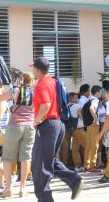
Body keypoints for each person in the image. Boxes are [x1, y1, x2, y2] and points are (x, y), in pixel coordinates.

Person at [30, 57, 83, 202]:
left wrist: (37, 120)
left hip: (47, 124)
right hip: (57, 124)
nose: (32, 71)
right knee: (45, 160)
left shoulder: (41, 85)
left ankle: (45, 199)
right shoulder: (53, 81)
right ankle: (74, 179)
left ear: (37, 70)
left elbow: (46, 105)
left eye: (33, 68)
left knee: (40, 167)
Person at [1, 73, 35, 198]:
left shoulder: (16, 90)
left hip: (14, 125)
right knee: (26, 157)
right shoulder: (35, 92)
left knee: (8, 157)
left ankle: (8, 188)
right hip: (30, 126)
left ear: (21, 80)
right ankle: (22, 188)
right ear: (32, 81)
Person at [84, 85, 101, 172]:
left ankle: (87, 165)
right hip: (94, 124)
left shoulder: (90, 99)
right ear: (97, 92)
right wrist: (95, 118)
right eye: (100, 92)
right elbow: (91, 108)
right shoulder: (95, 100)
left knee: (89, 144)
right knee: (95, 144)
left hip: (89, 124)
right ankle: (93, 165)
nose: (101, 94)